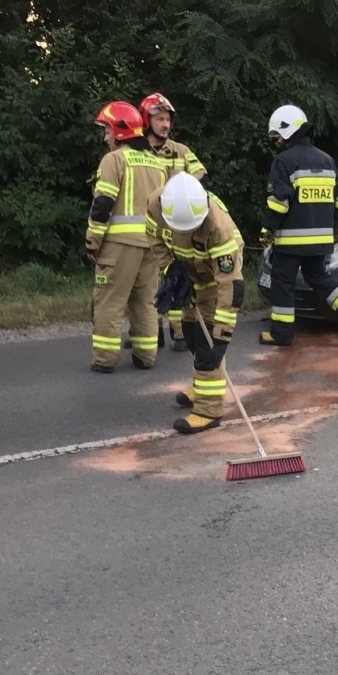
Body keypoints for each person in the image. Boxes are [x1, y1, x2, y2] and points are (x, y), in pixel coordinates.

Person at [259, 104, 338, 345]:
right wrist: (336, 228)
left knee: (283, 283)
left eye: (277, 136)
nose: (276, 141)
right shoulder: (327, 160)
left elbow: (279, 202)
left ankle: (281, 334)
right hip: (320, 239)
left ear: (287, 132)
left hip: (290, 241)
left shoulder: (284, 161)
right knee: (320, 278)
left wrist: (267, 229)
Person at [150, 172, 243, 434]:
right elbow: (155, 239)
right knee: (190, 334)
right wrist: (170, 270)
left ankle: (208, 410)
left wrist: (222, 336)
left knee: (207, 343)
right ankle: (201, 385)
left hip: (216, 278)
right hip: (188, 273)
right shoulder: (156, 206)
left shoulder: (217, 227)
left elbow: (230, 286)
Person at [87, 101, 165, 371]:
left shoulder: (114, 159)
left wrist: (92, 243)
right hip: (151, 246)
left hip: (119, 246)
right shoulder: (156, 163)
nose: (105, 136)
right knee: (145, 302)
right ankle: (146, 356)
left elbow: (103, 205)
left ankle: (104, 360)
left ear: (120, 131)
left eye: (107, 130)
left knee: (110, 301)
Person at [139, 92, 207, 353]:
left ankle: (179, 334)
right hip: (146, 227)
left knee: (177, 275)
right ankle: (150, 332)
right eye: (159, 119)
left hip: (176, 226)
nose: (165, 124)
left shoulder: (181, 151)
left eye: (167, 119)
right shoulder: (136, 151)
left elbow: (201, 175)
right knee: (147, 283)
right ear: (147, 121)